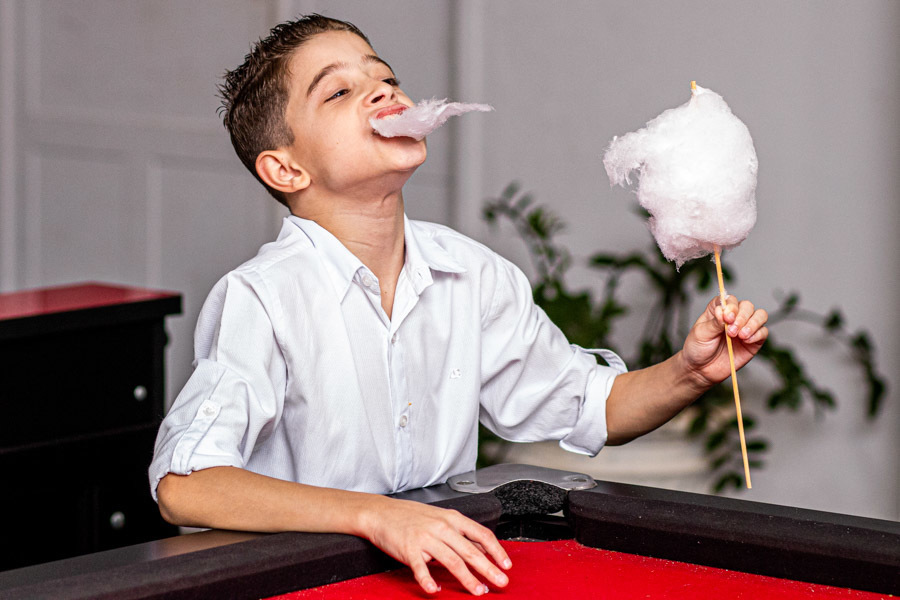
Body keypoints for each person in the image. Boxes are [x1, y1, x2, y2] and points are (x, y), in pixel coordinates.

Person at [149, 14, 769, 597]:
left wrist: (690, 373)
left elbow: (592, 408)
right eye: (338, 93)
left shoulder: (472, 275)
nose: (383, 92)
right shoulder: (261, 296)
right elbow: (187, 485)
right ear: (285, 169)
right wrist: (377, 517)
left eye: (385, 77)